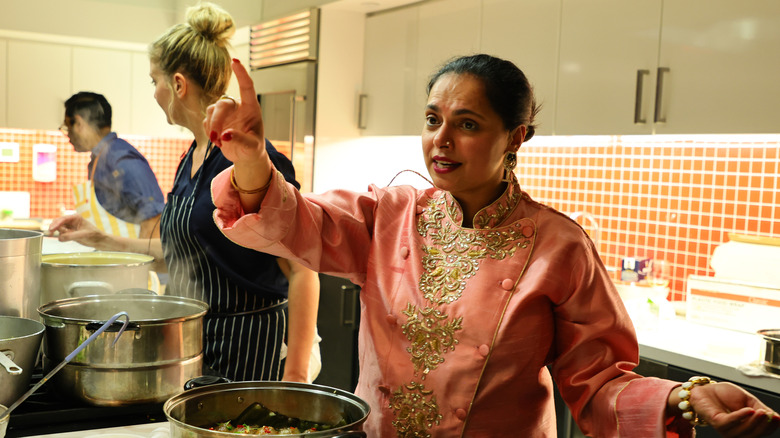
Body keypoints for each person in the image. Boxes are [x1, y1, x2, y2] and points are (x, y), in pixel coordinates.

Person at [205, 54, 780, 437]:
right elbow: (293, 222)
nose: (442, 140)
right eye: (432, 119)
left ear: (517, 135)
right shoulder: (387, 212)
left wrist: (683, 397)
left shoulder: (560, 247)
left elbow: (599, 381)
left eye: (469, 123)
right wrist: (253, 159)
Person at [49, 2, 320, 384]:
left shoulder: (249, 160)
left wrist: (295, 377)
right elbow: (181, 252)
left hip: (251, 346)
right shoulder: (192, 156)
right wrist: (100, 239)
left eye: (154, 80)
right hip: (198, 342)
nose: (154, 92)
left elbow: (303, 270)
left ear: (177, 84)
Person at [61, 91, 164, 239]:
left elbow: (154, 219)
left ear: (79, 124)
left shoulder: (119, 158)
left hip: (128, 258)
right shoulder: (100, 158)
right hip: (112, 256)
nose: (68, 135)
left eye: (67, 128)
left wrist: (144, 261)